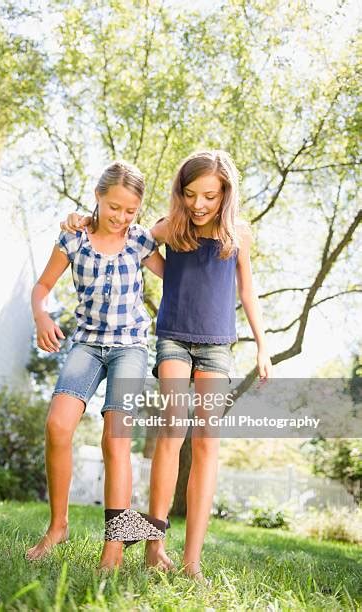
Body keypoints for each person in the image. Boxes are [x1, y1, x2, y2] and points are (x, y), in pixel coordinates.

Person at [60, 150, 273, 580]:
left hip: (217, 347)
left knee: (207, 445)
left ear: (225, 195)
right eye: (191, 194)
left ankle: (191, 560)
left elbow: (248, 293)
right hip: (173, 339)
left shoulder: (239, 234)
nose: (199, 204)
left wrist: (263, 347)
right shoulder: (170, 227)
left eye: (210, 196)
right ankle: (154, 545)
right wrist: (84, 219)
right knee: (171, 434)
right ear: (181, 193)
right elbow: (121, 232)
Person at [26, 160, 167, 570]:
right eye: (114, 208)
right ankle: (58, 526)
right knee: (57, 426)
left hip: (130, 348)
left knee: (116, 440)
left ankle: (115, 545)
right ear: (98, 198)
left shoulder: (140, 241)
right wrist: (42, 316)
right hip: (87, 344)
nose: (122, 217)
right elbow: (41, 287)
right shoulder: (74, 238)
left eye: (130, 211)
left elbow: (176, 276)